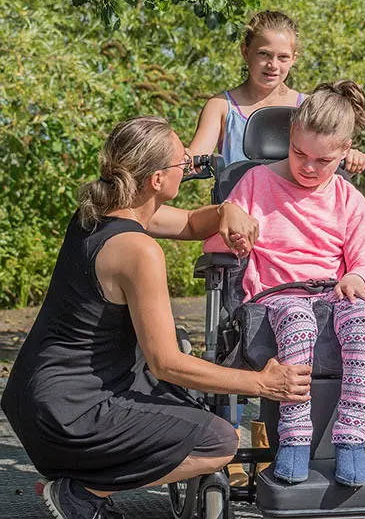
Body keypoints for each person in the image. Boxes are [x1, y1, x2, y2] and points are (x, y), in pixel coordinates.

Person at [0, 116, 312, 519]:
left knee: (183, 407)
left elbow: (185, 222)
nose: (190, 165)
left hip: (33, 400)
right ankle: (82, 493)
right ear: (158, 180)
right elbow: (166, 362)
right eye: (182, 163)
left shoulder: (98, 212)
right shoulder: (139, 251)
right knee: (218, 442)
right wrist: (262, 383)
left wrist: (226, 210)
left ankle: (81, 479)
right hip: (70, 414)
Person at [204, 81, 365, 487]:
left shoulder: (349, 199)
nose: (308, 167)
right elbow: (217, 243)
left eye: (324, 160)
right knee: (299, 321)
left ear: (345, 150)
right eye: (300, 153)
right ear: (290, 136)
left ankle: (351, 438)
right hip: (276, 296)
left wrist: (356, 274)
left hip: (333, 293)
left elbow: (363, 256)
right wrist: (231, 234)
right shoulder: (255, 183)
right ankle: (295, 437)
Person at [189, 10, 365, 174]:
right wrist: (185, 159)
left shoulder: (308, 106)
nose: (273, 65)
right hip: (238, 203)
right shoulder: (222, 106)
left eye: (282, 57)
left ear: (293, 59)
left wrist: (350, 155)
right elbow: (195, 159)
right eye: (263, 54)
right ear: (245, 51)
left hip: (294, 205)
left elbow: (328, 149)